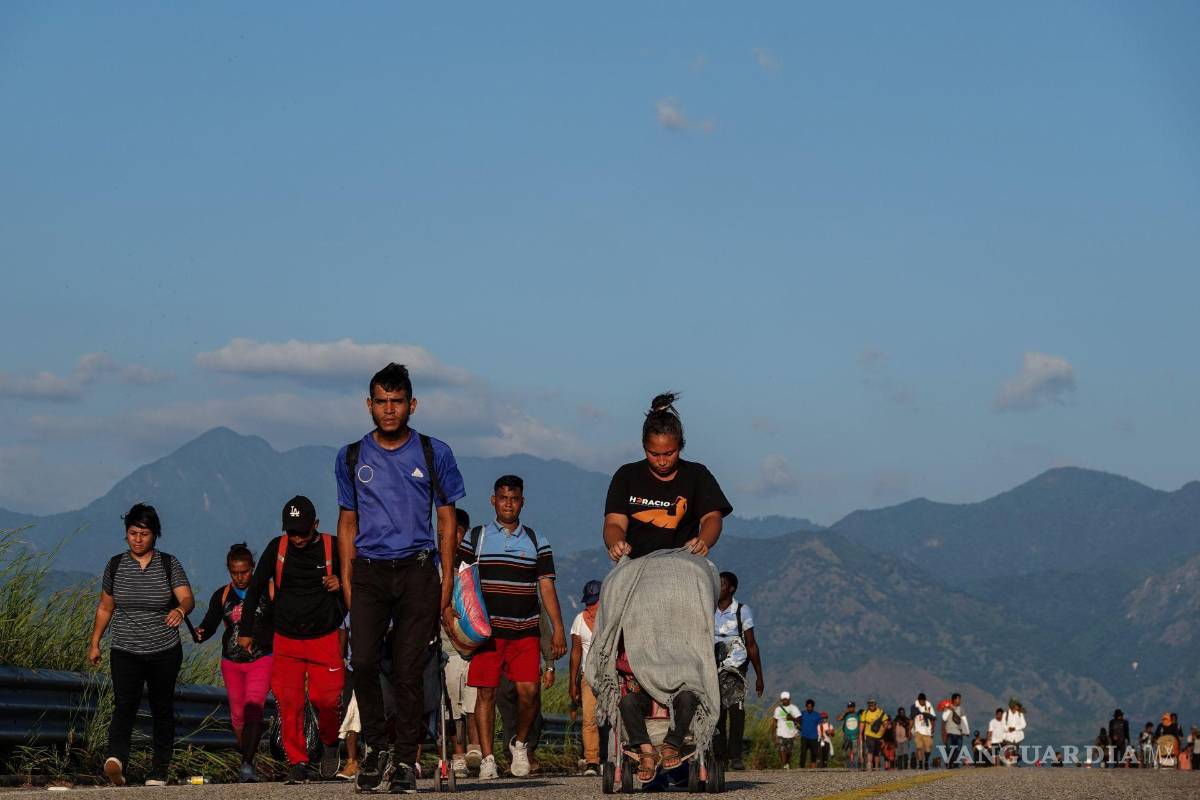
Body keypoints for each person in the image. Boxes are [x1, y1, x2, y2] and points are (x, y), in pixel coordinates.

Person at [335, 363, 467, 794]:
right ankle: (376, 749)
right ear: (368, 405)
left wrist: (446, 579)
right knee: (366, 662)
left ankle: (408, 760)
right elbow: (347, 522)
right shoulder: (351, 456)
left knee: (410, 669)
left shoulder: (434, 452)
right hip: (370, 571)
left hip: (417, 569)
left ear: (412, 405)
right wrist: (349, 580)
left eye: (396, 402)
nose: (388, 410)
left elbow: (446, 518)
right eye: (381, 402)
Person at [459, 475, 566, 779]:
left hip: (525, 631)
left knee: (529, 692)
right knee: (486, 695)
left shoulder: (536, 540)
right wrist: (454, 619)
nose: (508, 504)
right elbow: (461, 582)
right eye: (503, 498)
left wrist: (558, 628)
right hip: (488, 634)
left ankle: (519, 744)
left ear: (522, 502)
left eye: (514, 498)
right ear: (493, 500)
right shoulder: (476, 537)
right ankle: (489, 757)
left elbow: (546, 587)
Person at [239, 496, 343, 784]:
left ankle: (330, 740)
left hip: (325, 635)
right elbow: (256, 588)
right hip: (286, 638)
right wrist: (245, 630)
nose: (296, 537)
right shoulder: (278, 548)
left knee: (328, 699)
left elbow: (357, 580)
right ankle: (298, 761)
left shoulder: (332, 546)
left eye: (302, 531)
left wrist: (341, 583)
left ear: (316, 525)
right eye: (291, 531)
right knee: (289, 703)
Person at [89, 503, 194, 787]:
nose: (138, 539)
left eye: (144, 533)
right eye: (133, 533)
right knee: (124, 704)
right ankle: (116, 759)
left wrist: (180, 611)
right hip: (125, 648)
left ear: (154, 535)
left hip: (164, 650)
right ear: (126, 534)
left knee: (162, 708)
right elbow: (105, 607)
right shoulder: (116, 565)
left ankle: (159, 770)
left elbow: (187, 598)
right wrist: (95, 642)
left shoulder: (169, 564)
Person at [603, 392, 732, 562]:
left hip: (685, 560)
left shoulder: (697, 475)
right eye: (654, 454)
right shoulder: (626, 475)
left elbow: (712, 517)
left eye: (669, 454)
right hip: (635, 562)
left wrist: (703, 541)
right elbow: (614, 523)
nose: (662, 461)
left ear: (680, 446)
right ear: (644, 447)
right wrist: (616, 543)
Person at [193, 543, 274, 782]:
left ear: (253, 568)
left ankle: (246, 763)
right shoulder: (223, 595)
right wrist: (201, 632)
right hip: (231, 662)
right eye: (234, 573)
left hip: (262, 658)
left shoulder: (267, 592)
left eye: (245, 572)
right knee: (238, 716)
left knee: (253, 708)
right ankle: (247, 757)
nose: (240, 577)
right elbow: (210, 623)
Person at [713, 571, 764, 770]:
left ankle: (735, 756)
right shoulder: (709, 609)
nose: (718, 587)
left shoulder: (741, 611)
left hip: (736, 664)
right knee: (716, 710)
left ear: (731, 588)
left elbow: (751, 644)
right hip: (714, 663)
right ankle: (719, 755)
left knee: (736, 709)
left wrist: (759, 676)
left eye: (722, 584)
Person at [443, 509, 480, 778]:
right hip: (445, 648)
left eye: (454, 530)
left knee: (474, 701)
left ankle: (475, 748)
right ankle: (456, 753)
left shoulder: (473, 565)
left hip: (473, 647)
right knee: (451, 705)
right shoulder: (434, 564)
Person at [569, 579, 603, 776]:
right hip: (588, 675)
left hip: (612, 674)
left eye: (595, 602)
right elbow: (575, 653)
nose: (592, 607)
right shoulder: (579, 620)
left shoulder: (611, 619)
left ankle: (620, 757)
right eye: (589, 603)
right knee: (589, 719)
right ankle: (592, 760)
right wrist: (572, 684)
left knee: (617, 718)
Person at [772, 692, 800, 769]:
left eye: (786, 699)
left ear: (789, 699)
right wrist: (774, 734)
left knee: (789, 751)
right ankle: (784, 764)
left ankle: (787, 762)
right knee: (781, 749)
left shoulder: (794, 708)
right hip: (780, 732)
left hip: (791, 733)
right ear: (781, 700)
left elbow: (799, 719)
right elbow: (774, 721)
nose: (785, 701)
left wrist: (792, 718)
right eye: (783, 699)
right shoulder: (778, 709)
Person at [941, 693, 969, 769]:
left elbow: (964, 720)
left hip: (959, 733)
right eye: (958, 699)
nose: (960, 701)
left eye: (960, 699)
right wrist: (948, 710)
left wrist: (966, 731)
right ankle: (949, 762)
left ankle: (955, 762)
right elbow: (944, 718)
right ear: (954, 700)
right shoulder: (947, 708)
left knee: (958, 749)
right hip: (950, 732)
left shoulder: (961, 709)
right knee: (949, 748)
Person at [860, 699, 888, 771]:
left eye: (872, 704)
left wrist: (882, 734)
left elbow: (886, 724)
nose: (871, 705)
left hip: (878, 736)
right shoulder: (865, 713)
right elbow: (862, 724)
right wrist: (860, 734)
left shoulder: (880, 712)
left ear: (875, 704)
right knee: (870, 750)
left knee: (877, 752)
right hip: (869, 735)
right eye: (870, 704)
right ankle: (869, 764)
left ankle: (876, 767)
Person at [910, 693, 935, 770]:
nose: (922, 702)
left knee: (928, 748)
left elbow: (933, 718)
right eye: (921, 701)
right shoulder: (914, 707)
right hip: (918, 730)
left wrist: (933, 728)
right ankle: (920, 763)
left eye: (923, 701)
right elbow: (912, 719)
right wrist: (909, 730)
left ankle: (926, 760)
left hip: (927, 730)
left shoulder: (929, 706)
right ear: (918, 700)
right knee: (919, 747)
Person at [797, 698, 821, 769]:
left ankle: (813, 768)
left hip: (814, 737)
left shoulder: (817, 715)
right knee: (803, 753)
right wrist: (799, 728)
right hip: (804, 737)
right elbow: (798, 722)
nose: (809, 708)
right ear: (806, 706)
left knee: (814, 753)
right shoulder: (802, 714)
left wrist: (821, 735)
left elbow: (820, 726)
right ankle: (802, 767)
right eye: (808, 706)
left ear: (813, 707)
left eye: (810, 707)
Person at [838, 702, 862, 770]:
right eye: (849, 707)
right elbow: (839, 719)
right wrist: (845, 712)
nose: (850, 708)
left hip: (855, 736)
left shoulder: (857, 715)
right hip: (847, 737)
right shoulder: (846, 715)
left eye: (851, 707)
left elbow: (860, 725)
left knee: (855, 752)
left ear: (854, 707)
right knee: (846, 752)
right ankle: (848, 766)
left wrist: (859, 735)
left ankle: (855, 766)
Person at [1002, 699, 1026, 765]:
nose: (1017, 707)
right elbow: (1003, 724)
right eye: (1016, 705)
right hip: (1008, 737)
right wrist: (1008, 728)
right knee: (1009, 751)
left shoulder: (1020, 714)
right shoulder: (1005, 714)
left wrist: (1015, 728)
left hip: (1017, 738)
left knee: (1015, 752)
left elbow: (1023, 724)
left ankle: (1013, 765)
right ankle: (1008, 765)